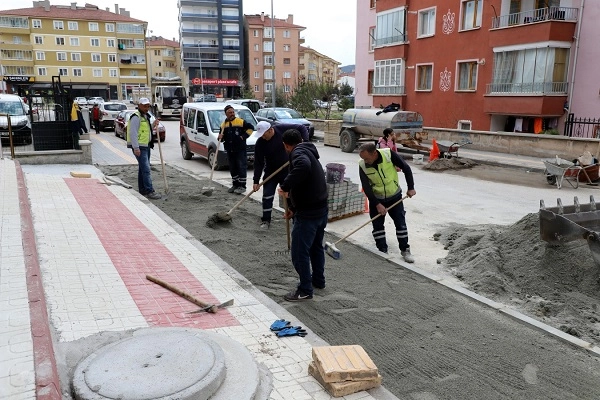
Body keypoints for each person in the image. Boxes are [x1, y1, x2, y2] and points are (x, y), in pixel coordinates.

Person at [279, 129, 328, 301]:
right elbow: (304, 183)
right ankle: (318, 280)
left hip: (309, 214)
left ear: (286, 145)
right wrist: (293, 207)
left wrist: (285, 186)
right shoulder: (308, 150)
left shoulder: (298, 153)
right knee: (316, 247)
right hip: (320, 209)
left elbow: (303, 167)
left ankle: (305, 289)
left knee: (300, 253)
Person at [358, 142, 416, 263]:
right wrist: (377, 204)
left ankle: (405, 249)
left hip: (394, 196)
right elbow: (366, 187)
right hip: (376, 198)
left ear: (374, 153)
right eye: (363, 159)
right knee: (377, 227)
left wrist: (411, 187)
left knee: (400, 224)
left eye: (367, 158)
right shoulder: (362, 165)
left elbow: (406, 168)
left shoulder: (388, 154)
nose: (365, 161)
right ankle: (382, 251)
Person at [253, 121, 309, 229]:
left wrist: (304, 143)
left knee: (290, 197)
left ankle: (294, 219)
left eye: (264, 134)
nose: (263, 137)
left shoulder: (282, 129)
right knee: (267, 196)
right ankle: (266, 220)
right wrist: (256, 180)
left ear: (270, 130)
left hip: (287, 171)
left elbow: (302, 127)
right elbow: (258, 163)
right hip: (271, 172)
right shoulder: (260, 143)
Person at [127, 97, 161, 200]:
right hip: (140, 147)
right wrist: (136, 147)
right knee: (146, 169)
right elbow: (133, 133)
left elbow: (146, 130)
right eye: (144, 106)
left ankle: (142, 190)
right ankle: (149, 191)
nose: (146, 108)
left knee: (143, 168)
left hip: (146, 145)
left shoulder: (145, 116)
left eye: (148, 106)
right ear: (139, 106)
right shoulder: (136, 117)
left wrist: (153, 124)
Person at [218, 105, 254, 195]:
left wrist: (243, 137)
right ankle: (235, 184)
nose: (232, 114)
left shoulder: (240, 122)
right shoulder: (223, 125)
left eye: (233, 112)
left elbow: (251, 128)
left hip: (240, 149)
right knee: (233, 168)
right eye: (230, 112)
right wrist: (220, 137)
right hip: (230, 150)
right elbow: (221, 139)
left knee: (241, 166)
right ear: (226, 114)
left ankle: (242, 186)